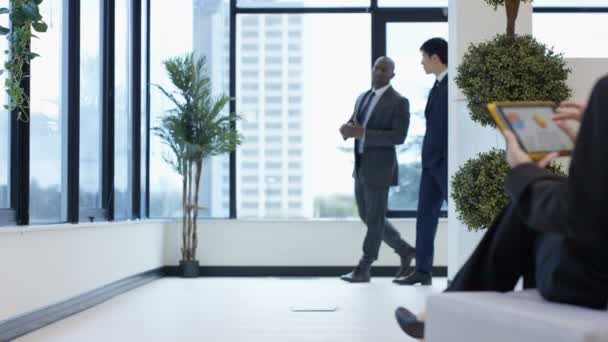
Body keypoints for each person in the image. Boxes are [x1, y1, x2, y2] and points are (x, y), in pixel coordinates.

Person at [395, 75, 608, 339]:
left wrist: (523, 172)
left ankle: (445, 312)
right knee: (540, 192)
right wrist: (594, 144)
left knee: (527, 206)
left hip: (592, 284)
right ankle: (445, 311)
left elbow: (580, 217)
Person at [339, 56, 415, 283]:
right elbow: (356, 123)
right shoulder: (362, 97)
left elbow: (398, 137)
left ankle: (364, 267)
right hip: (361, 165)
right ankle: (404, 250)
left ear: (392, 74)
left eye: (385, 69)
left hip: (381, 169)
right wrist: (347, 128)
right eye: (377, 68)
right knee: (368, 216)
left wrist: (363, 134)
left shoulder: (399, 102)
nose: (379, 72)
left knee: (375, 219)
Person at [394, 38, 448, 286]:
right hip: (430, 164)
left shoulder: (452, 85)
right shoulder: (437, 86)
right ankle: (423, 271)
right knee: (425, 217)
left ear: (435, 58)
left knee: (461, 217)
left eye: (424, 57)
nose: (422, 63)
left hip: (444, 163)